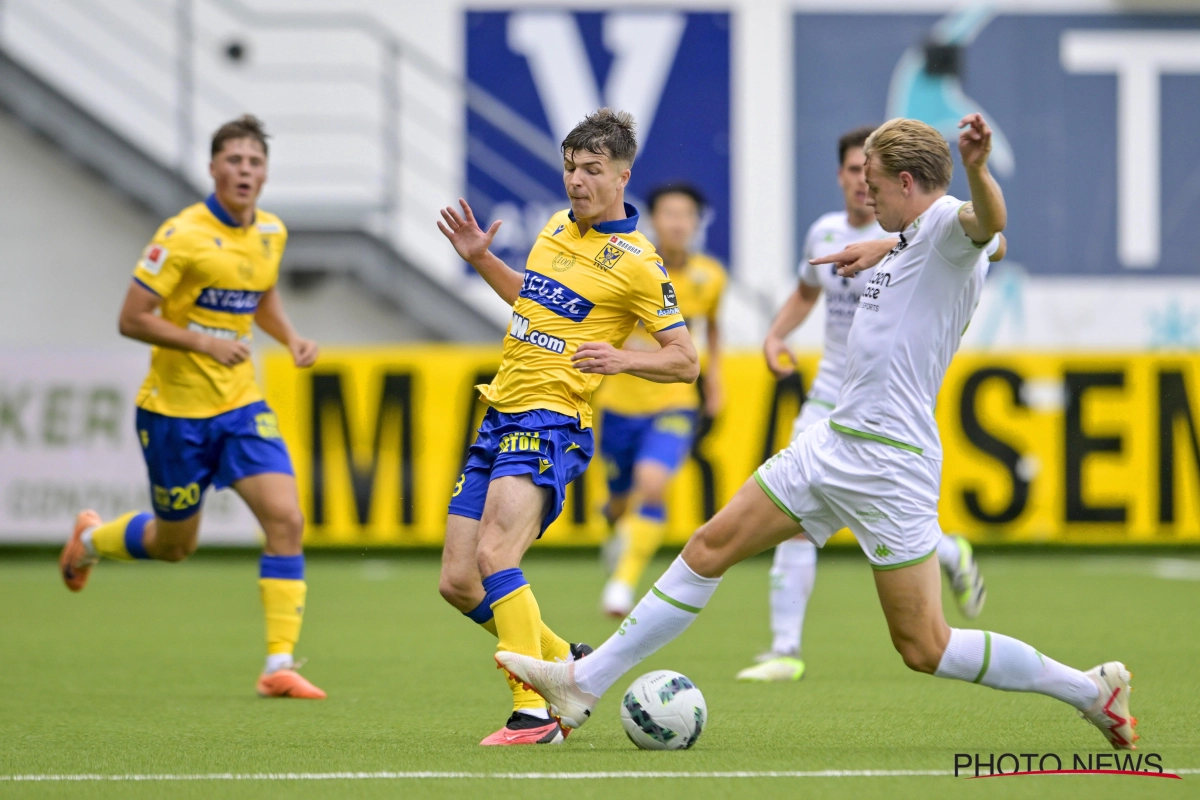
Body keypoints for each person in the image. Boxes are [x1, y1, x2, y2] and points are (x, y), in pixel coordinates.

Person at [497, 115, 1138, 752]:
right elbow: (958, 239)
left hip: (890, 464)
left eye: (875, 183)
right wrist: (887, 245)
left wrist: (975, 167)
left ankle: (1089, 691)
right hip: (833, 442)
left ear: (909, 182)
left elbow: (989, 225)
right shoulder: (916, 234)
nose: (865, 194)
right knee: (710, 545)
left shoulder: (947, 226)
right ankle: (583, 683)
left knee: (925, 646)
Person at [435, 108, 699, 746]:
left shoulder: (638, 262)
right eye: (570, 167)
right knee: (459, 581)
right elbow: (531, 299)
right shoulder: (556, 227)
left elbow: (685, 360)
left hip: (554, 419)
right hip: (501, 412)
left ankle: (534, 714)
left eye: (592, 170)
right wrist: (481, 259)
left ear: (622, 176)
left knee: (498, 553)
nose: (576, 181)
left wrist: (623, 358)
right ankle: (568, 665)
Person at [58, 115, 326, 700]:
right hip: (173, 414)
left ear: (264, 174)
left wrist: (288, 337)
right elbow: (131, 318)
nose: (244, 171)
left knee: (286, 519)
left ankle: (278, 663)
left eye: (254, 162)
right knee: (174, 546)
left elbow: (259, 292)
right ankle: (90, 541)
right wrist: (205, 342)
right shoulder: (180, 235)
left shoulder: (271, 233)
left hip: (239, 409)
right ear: (212, 168)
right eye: (233, 160)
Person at [737, 126, 997, 683]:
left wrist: (892, 242)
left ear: (895, 178)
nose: (862, 183)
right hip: (828, 395)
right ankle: (785, 647)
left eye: (869, 173)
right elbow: (807, 292)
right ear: (842, 176)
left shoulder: (929, 231)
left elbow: (993, 237)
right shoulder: (825, 233)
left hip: (883, 403)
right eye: (854, 172)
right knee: (796, 521)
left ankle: (943, 552)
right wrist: (776, 335)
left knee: (852, 522)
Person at [595, 183, 727, 618]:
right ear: (654, 220)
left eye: (685, 215)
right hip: (619, 404)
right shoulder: (631, 268)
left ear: (695, 223)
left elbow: (710, 329)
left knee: (652, 484)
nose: (677, 223)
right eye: (669, 214)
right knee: (618, 501)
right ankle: (618, 530)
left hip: (674, 402)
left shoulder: (710, 277)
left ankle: (622, 583)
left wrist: (715, 381)